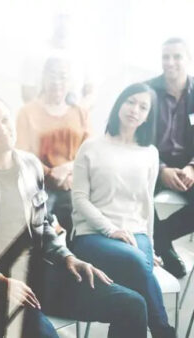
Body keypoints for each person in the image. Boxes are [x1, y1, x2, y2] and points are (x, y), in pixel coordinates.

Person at [0, 94, 148, 337]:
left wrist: (68, 257)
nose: (3, 129)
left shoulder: (30, 166)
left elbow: (43, 224)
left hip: (37, 272)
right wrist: (0, 282)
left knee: (132, 305)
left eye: (5, 120)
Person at [71, 83, 175, 337]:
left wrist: (150, 245)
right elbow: (79, 199)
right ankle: (163, 331)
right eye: (130, 102)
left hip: (136, 235)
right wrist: (111, 229)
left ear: (148, 115)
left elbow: (146, 203)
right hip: (92, 235)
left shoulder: (150, 153)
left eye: (143, 107)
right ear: (120, 103)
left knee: (132, 293)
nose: (135, 110)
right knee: (135, 262)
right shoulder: (92, 147)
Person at [16, 57, 91, 239]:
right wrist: (50, 174)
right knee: (37, 233)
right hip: (39, 184)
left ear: (70, 81)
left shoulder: (79, 111)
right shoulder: (27, 111)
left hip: (72, 183)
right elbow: (22, 154)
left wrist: (67, 170)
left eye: (63, 76)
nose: (57, 82)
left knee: (82, 229)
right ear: (43, 78)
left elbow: (89, 152)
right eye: (52, 75)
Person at [147, 37, 194, 278]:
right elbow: (138, 137)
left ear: (189, 59)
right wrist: (161, 168)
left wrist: (192, 167)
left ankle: (160, 239)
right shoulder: (147, 91)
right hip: (152, 161)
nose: (171, 62)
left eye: (177, 57)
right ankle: (158, 245)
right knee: (134, 193)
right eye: (166, 57)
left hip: (189, 165)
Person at [20, 13, 95, 108]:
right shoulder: (34, 53)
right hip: (41, 120)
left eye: (66, 16)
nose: (63, 22)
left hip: (75, 120)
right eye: (59, 16)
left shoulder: (84, 53)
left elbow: (91, 93)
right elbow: (27, 93)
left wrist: (76, 114)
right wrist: (45, 116)